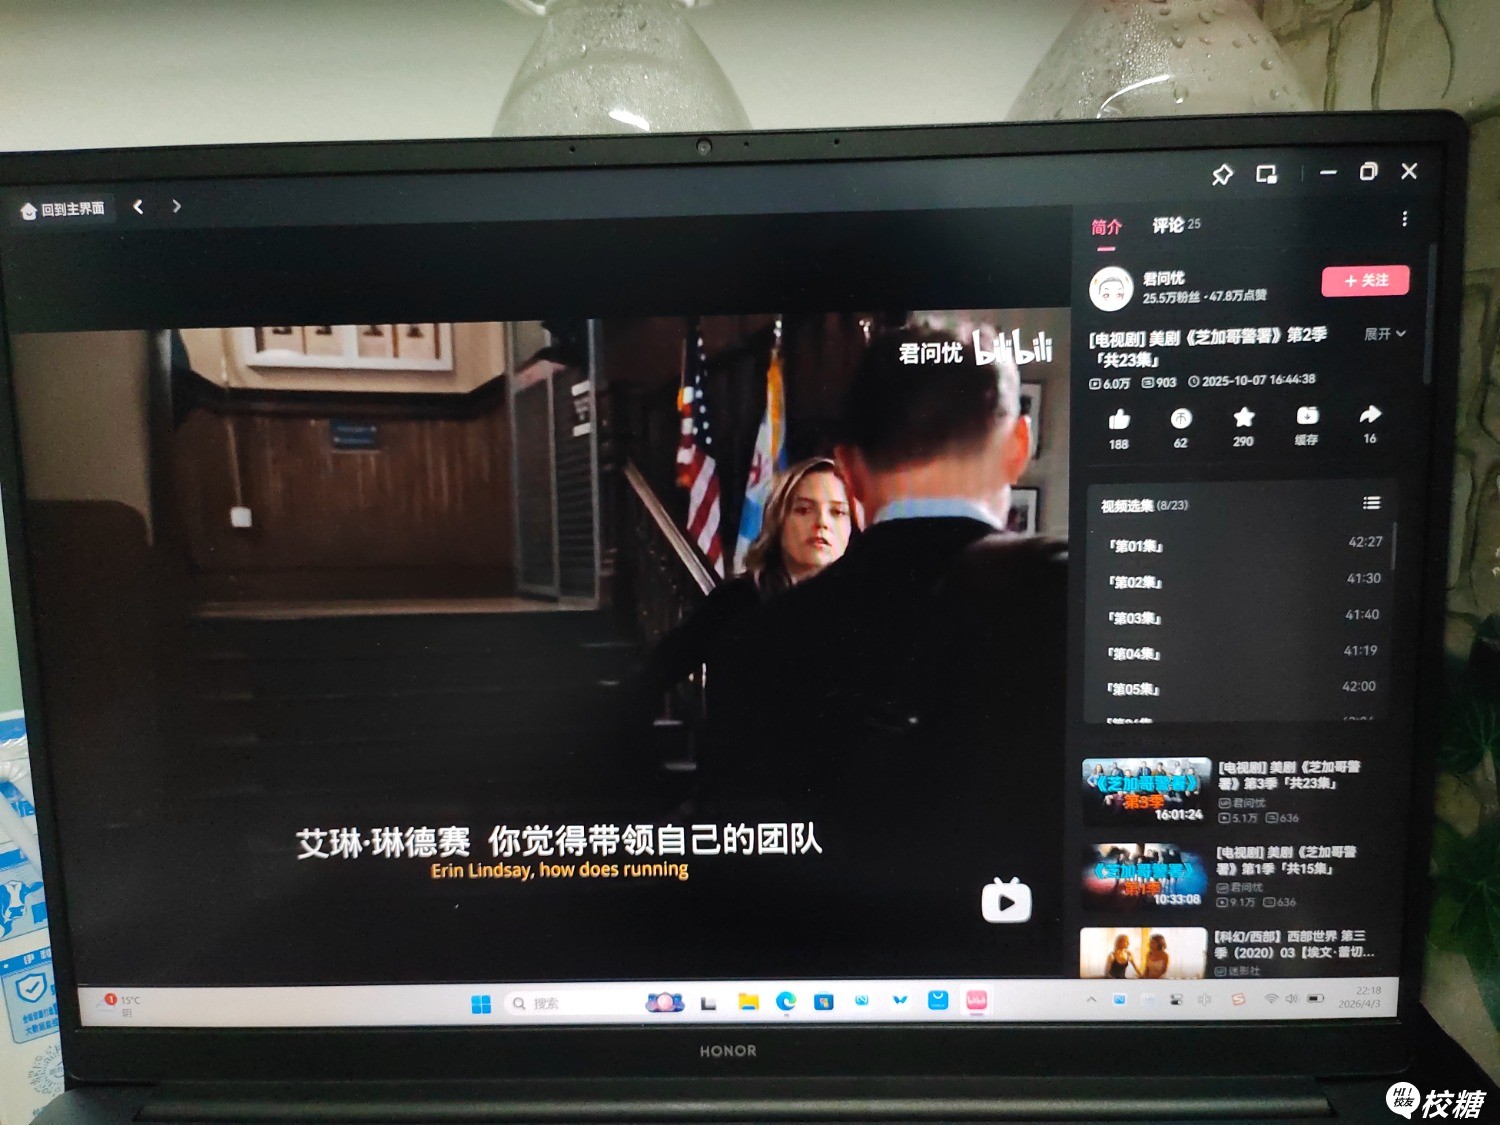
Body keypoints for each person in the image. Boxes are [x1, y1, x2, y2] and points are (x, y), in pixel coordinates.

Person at [708, 324, 1068, 975]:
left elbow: (736, 876)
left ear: (847, 469)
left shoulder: (754, 639)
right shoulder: (1081, 600)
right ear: (1018, 447)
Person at [641, 457, 854, 701]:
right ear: (779, 521)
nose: (822, 523)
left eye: (838, 512)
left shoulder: (861, 609)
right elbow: (656, 673)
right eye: (804, 510)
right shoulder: (735, 602)